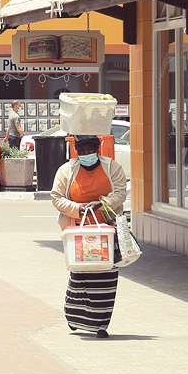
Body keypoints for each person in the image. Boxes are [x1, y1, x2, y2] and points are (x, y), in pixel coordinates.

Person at [51, 135, 128, 336]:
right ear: (76, 152)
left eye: (90, 150)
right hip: (79, 232)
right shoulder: (66, 170)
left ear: (97, 150)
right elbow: (56, 197)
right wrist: (78, 208)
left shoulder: (112, 168)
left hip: (107, 232)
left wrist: (101, 204)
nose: (86, 154)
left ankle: (101, 325)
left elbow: (121, 193)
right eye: (81, 151)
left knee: (106, 278)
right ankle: (76, 319)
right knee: (80, 276)